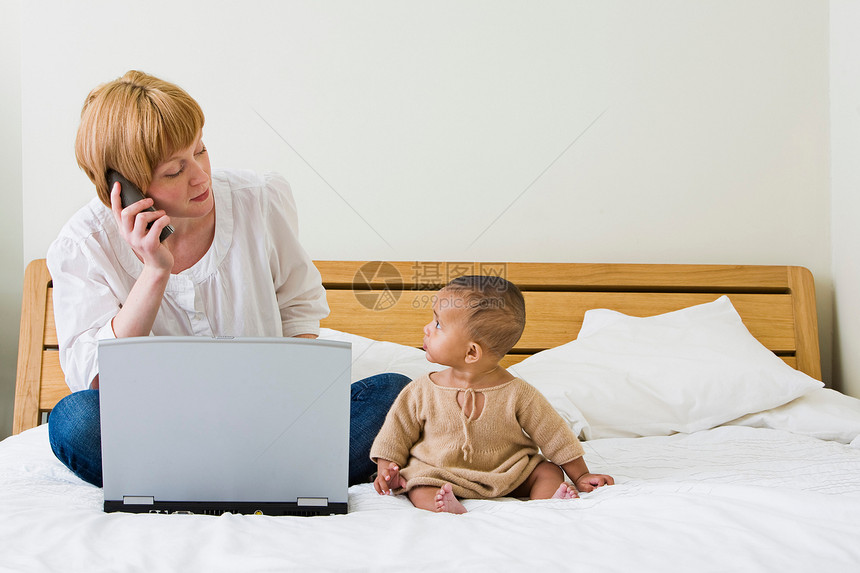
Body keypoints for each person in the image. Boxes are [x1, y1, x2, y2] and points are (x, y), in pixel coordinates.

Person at [46, 70, 408, 488]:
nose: (200, 176)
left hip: (273, 424)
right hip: (163, 432)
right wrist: (154, 271)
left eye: (200, 150)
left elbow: (298, 311)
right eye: (173, 171)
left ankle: (197, 487)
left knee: (394, 393)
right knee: (74, 420)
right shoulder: (83, 244)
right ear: (123, 186)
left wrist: (299, 404)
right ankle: (271, 482)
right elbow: (96, 378)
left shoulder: (259, 197)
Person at [370, 275, 613, 513]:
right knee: (418, 485)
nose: (427, 328)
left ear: (471, 352)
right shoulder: (421, 390)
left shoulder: (518, 393)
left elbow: (554, 435)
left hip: (509, 473)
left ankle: (544, 505)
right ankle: (446, 507)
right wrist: (387, 469)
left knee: (548, 471)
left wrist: (580, 474)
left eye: (438, 324)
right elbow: (394, 435)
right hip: (440, 472)